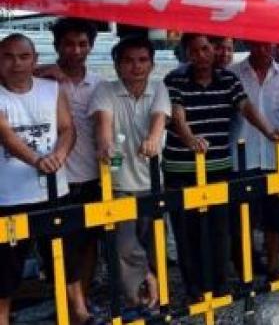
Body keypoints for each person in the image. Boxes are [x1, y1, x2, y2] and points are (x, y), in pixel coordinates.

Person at [163, 34, 279, 301]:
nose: (201, 55)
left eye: (206, 48)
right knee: (187, 231)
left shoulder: (228, 80)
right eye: (194, 50)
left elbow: (246, 107)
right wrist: (189, 139)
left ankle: (219, 285)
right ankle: (194, 288)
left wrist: (268, 131)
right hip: (181, 167)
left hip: (218, 164)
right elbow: (177, 114)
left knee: (220, 228)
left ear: (215, 50)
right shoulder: (175, 79)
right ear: (186, 53)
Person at [0, 34, 83, 325]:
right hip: (9, 194)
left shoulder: (51, 89)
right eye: (8, 57)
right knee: (6, 265)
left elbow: (66, 127)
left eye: (24, 57)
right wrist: (37, 160)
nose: (17, 64)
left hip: (53, 190)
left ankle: (78, 312)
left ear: (35, 60)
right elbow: (6, 135)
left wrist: (60, 153)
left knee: (65, 255)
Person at [89, 36, 170, 319]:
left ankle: (156, 296)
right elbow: (103, 122)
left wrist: (152, 138)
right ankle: (141, 295)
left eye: (142, 60)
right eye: (128, 61)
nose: (136, 67)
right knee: (125, 244)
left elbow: (159, 119)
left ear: (151, 63)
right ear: (117, 65)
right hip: (119, 183)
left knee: (153, 242)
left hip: (152, 182)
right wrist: (105, 143)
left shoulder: (158, 88)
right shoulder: (105, 91)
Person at [36, 18, 102, 322]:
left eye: (83, 44)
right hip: (53, 177)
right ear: (56, 45)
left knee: (89, 241)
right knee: (58, 246)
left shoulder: (100, 83)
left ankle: (81, 304)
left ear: (91, 46)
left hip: (91, 173)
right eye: (69, 44)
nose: (76, 50)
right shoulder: (41, 79)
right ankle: (67, 304)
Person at [229, 40, 279, 279]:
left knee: (275, 214)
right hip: (241, 154)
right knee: (243, 216)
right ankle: (246, 264)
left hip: (275, 154)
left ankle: (274, 262)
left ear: (276, 46)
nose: (262, 50)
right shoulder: (233, 73)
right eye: (257, 45)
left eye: (267, 46)